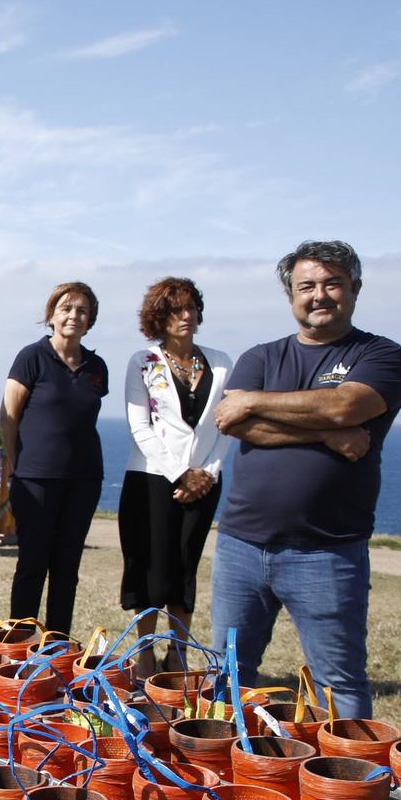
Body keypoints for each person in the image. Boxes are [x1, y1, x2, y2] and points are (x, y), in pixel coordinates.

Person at [211, 241, 401, 718]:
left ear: (354, 289)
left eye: (331, 284)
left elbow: (345, 404)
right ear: (292, 296)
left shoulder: (380, 355)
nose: (319, 295)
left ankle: (348, 786)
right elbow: (233, 423)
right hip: (241, 544)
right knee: (228, 673)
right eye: (307, 286)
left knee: (337, 681)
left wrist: (256, 401)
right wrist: (327, 434)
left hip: (327, 550)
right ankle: (226, 778)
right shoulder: (260, 356)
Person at [118, 278, 231, 670]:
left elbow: (225, 425)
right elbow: (140, 426)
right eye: (175, 310)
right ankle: (146, 652)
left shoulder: (220, 363)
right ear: (158, 317)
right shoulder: (142, 362)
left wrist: (207, 474)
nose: (186, 316)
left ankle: (178, 653)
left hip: (205, 481)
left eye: (190, 308)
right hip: (150, 479)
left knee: (185, 567)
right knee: (149, 567)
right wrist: (180, 474)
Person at [0, 283, 109, 636]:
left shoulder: (97, 366)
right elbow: (9, 417)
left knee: (66, 569)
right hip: (35, 479)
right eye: (66, 308)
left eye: (81, 310)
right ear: (51, 315)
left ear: (90, 319)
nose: (73, 315)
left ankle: (57, 647)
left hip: (84, 480)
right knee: (32, 565)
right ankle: (18, 645)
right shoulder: (31, 357)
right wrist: (17, 463)